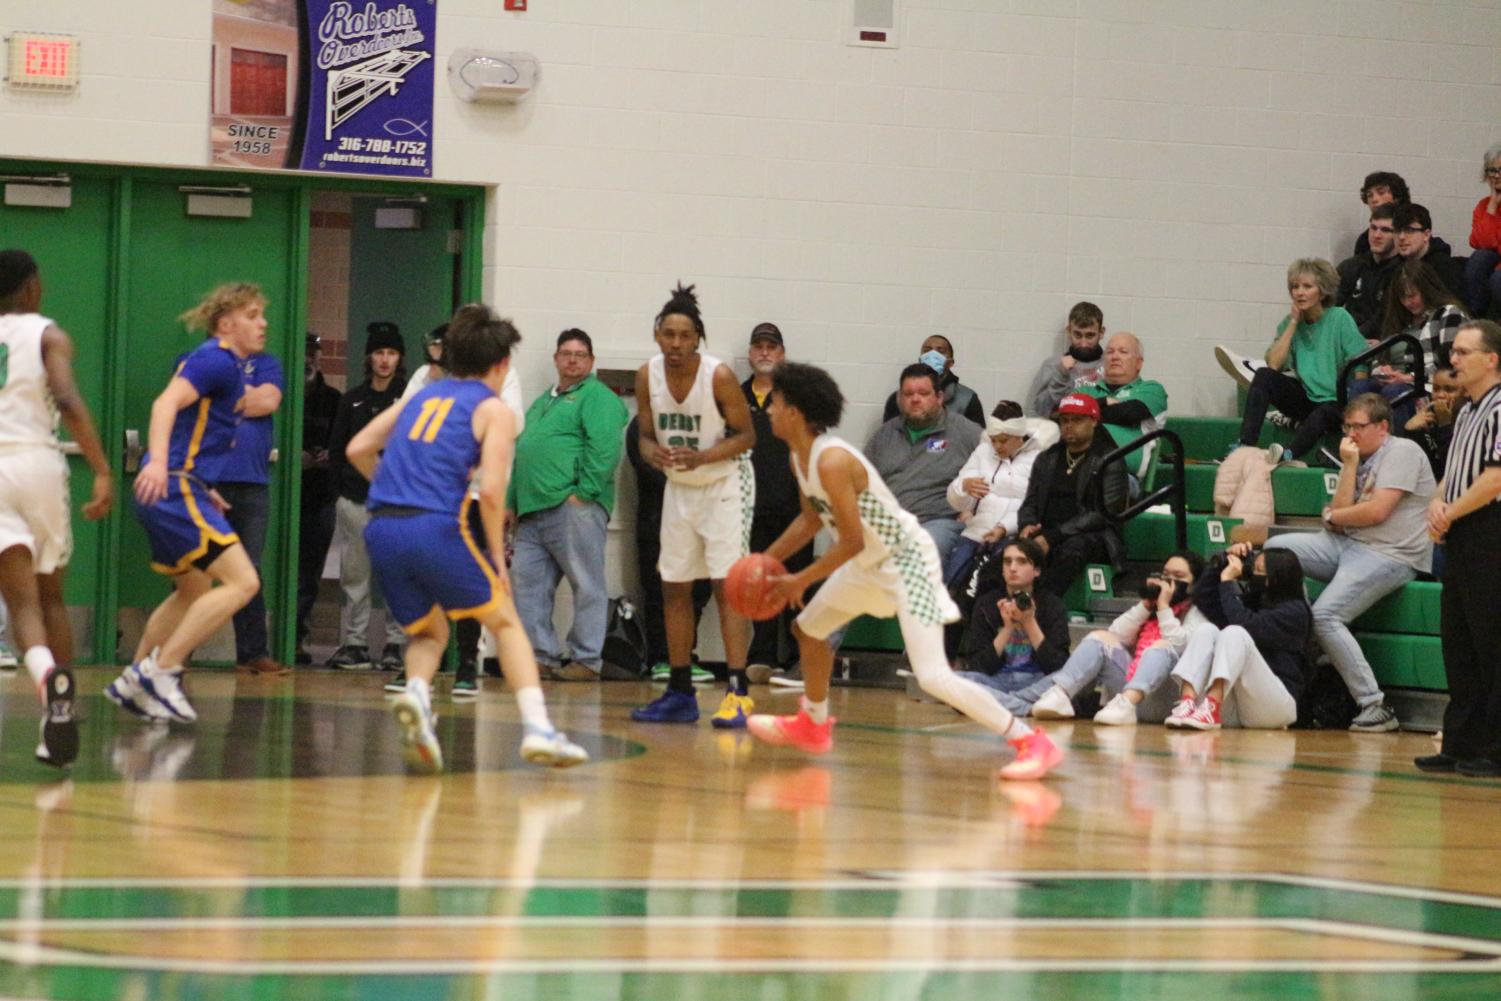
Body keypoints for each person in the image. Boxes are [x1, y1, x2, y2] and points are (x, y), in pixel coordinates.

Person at [745, 362, 1063, 781]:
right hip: (868, 564)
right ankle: (814, 723)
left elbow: (852, 540)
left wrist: (798, 579)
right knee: (809, 630)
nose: (769, 409)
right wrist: (764, 561)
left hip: (906, 559)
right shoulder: (798, 459)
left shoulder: (833, 461)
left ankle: (1030, 741)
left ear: (797, 411)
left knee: (932, 677)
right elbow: (810, 520)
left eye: (778, 403)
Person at [346, 304, 587, 773]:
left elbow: (358, 447)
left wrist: (390, 489)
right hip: (433, 526)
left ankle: (417, 698)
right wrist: (498, 560)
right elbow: (493, 490)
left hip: (383, 527)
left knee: (430, 630)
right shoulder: (491, 408)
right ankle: (540, 729)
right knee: (506, 621)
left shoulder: (418, 397)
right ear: (501, 365)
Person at [106, 283, 266, 726]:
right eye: (252, 315)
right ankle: (163, 671)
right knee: (243, 583)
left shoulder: (224, 365)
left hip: (185, 486)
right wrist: (157, 462)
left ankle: (135, 678)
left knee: (192, 589)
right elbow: (164, 405)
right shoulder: (215, 359)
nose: (262, 323)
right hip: (174, 491)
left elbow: (191, 430)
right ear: (226, 322)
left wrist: (201, 480)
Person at [0, 249, 113, 765]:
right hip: (38, 463)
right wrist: (104, 470)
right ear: (28, 288)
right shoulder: (48, 334)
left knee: (20, 604)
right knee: (50, 598)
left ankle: (48, 683)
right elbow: (66, 400)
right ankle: (60, 713)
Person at [629, 283, 759, 728]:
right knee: (674, 585)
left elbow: (747, 437)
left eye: (685, 336)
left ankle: (738, 690)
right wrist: (650, 452)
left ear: (697, 338)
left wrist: (703, 455)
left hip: (724, 483)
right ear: (657, 335)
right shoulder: (647, 375)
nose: (676, 344)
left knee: (728, 586)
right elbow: (646, 435)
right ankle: (680, 690)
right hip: (680, 486)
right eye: (669, 334)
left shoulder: (718, 376)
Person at [1263, 394, 1434, 732]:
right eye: (1347, 426)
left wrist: (1334, 515)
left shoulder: (1403, 452)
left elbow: (1376, 512)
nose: (1351, 434)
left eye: (1359, 426)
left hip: (1389, 553)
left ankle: (1375, 705)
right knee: (1275, 551)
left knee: (1326, 613)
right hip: (1346, 544)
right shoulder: (1355, 457)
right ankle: (1305, 635)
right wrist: (1350, 468)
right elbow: (1337, 520)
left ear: (1383, 427)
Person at [508, 328, 630, 682]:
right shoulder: (542, 402)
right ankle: (540, 657)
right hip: (531, 513)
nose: (572, 359)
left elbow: (606, 448)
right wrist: (510, 502)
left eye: (580, 354)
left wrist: (584, 493)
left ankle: (587, 659)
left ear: (591, 361)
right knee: (528, 584)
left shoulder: (597, 396)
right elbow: (522, 452)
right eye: (566, 353)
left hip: (573, 507)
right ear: (556, 359)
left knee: (587, 583)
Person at [1417, 320, 1501, 775]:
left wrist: (1450, 512)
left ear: (1492, 359)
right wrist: (1436, 503)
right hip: (1461, 529)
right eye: (1455, 352)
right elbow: (1455, 471)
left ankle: (1496, 749)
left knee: (1493, 643)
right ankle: (1461, 743)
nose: (1455, 359)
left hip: (1490, 528)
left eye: (1465, 352)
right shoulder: (1467, 409)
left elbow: (1496, 477)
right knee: (1460, 641)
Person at [994, 552, 1207, 725]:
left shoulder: (1198, 611)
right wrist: (1146, 605)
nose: (1168, 582)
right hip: (1125, 696)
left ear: (1194, 584)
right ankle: (1060, 694)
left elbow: (1180, 646)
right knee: (1100, 637)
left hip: (1169, 697)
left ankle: (1006, 702)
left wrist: (1163, 608)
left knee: (1161, 646)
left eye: (1178, 577)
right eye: (1165, 574)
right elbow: (1116, 634)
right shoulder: (1151, 607)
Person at [1221, 259, 1369, 464]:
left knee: (1323, 413)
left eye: (1307, 287)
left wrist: (1358, 411)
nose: (1299, 292)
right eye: (1295, 287)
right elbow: (1274, 365)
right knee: (1264, 376)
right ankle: (1245, 445)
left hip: (1339, 403)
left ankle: (1287, 455)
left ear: (1323, 291)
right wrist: (1293, 322)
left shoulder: (1339, 318)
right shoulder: (1288, 323)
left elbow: (1360, 363)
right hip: (1308, 398)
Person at [326, 321, 408, 671]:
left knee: (395, 574)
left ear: (399, 358)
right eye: (379, 352)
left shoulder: (408, 399)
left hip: (396, 504)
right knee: (355, 574)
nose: (385, 360)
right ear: (369, 357)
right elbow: (337, 450)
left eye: (390, 353)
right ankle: (355, 642)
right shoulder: (352, 400)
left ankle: (395, 643)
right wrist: (340, 492)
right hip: (356, 499)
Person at [1165, 543, 1312, 730]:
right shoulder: (1256, 601)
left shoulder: (1294, 612)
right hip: (1242, 705)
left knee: (1235, 632)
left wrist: (1227, 582)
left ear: (1276, 577)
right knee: (1206, 630)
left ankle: (1211, 705)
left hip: (1276, 707)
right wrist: (1222, 562)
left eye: (1259, 570)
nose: (1252, 573)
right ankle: (1187, 701)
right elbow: (1203, 597)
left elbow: (1244, 624)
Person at [741, 322, 814, 684]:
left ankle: (802, 659)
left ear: (782, 354)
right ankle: (763, 656)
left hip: (794, 510)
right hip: (749, 510)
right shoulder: (733, 397)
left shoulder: (796, 397)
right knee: (758, 583)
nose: (765, 352)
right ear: (750, 353)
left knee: (796, 584)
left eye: (772, 346)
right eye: (759, 346)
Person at [215, 342, 287, 676]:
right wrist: (247, 397)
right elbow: (198, 404)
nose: (261, 326)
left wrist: (225, 398)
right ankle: (178, 652)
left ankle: (253, 652)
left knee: (250, 570)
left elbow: (269, 400)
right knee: (196, 567)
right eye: (252, 316)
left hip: (253, 483)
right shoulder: (203, 360)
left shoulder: (267, 363)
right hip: (209, 481)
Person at [866, 363, 982, 567]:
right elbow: (860, 482)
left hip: (938, 522)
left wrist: (973, 510)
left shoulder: (967, 432)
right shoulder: (884, 435)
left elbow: (998, 472)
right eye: (908, 394)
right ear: (899, 399)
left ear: (939, 397)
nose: (915, 399)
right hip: (888, 523)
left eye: (923, 393)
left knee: (919, 551)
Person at [1015, 393, 1129, 596]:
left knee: (1071, 550)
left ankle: (1041, 605)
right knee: (1005, 551)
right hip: (1048, 531)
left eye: (1077, 420)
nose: (1068, 425)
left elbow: (1102, 514)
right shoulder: (1047, 458)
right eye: (1064, 420)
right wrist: (1027, 525)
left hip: (1093, 536)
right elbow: (1030, 501)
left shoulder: (1110, 459)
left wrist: (1053, 537)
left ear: (1094, 421)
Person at [943, 402, 1056, 584]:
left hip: (1013, 534)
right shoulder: (983, 451)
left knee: (988, 581)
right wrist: (963, 488)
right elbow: (956, 501)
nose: (996, 446)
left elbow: (1033, 508)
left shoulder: (1040, 459)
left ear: (1019, 435)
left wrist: (1003, 528)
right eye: (993, 439)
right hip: (976, 530)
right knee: (952, 580)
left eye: (1003, 440)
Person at [953, 537, 1069, 695]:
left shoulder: (1052, 605)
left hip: (1038, 681)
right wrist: (1007, 629)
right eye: (1007, 562)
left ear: (1037, 570)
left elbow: (1058, 665)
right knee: (956, 683)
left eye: (1022, 562)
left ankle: (1002, 704)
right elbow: (977, 666)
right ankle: (1022, 703)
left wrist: (1029, 623)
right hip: (997, 681)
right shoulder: (986, 604)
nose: (1013, 568)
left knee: (1064, 684)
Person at [295, 334, 342, 664]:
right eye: (304, 352)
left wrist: (327, 456)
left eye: (314, 353)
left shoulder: (335, 400)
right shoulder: (283, 396)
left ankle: (297, 637)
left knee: (309, 574)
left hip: (320, 495)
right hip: (287, 494)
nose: (309, 359)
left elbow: (342, 445)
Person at [1073, 332, 1168, 484]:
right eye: (1109, 352)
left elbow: (1128, 414)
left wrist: (1084, 414)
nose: (1114, 356)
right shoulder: (1084, 390)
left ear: (1139, 363)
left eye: (1123, 352)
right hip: (1075, 469)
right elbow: (1060, 414)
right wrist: (1104, 401)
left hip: (1123, 478)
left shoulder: (1152, 390)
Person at [881, 335, 985, 427]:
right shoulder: (898, 399)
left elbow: (978, 443)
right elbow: (888, 439)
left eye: (941, 351)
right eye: (927, 350)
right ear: (921, 359)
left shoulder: (967, 398)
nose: (933, 354)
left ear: (950, 363)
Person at [1027, 301, 1106, 418]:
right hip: (1062, 433)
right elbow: (1039, 411)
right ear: (1069, 331)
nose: (1083, 343)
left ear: (1101, 332)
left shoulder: (1112, 365)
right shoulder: (1053, 365)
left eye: (1090, 336)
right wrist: (1060, 375)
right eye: (1078, 335)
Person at [1337, 203, 1402, 341]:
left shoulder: (1404, 272)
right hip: (1348, 339)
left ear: (1398, 235)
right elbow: (1329, 305)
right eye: (1373, 228)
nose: (1376, 235)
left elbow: (1384, 317)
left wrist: (1351, 339)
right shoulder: (1351, 266)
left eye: (1385, 230)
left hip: (1380, 344)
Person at [1394, 203, 1464, 302]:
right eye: (1397, 230)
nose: (1401, 237)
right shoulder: (1395, 265)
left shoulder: (1444, 267)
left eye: (1409, 230)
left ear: (1426, 235)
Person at [1464, 143, 1501, 318]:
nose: (1496, 176)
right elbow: (1479, 242)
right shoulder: (1484, 206)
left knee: (1497, 279)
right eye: (1492, 170)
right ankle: (1474, 319)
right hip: (1495, 266)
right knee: (1480, 258)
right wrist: (1492, 205)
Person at [1405, 365, 1462, 478]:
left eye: (1449, 390)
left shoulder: (1473, 420)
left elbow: (1452, 468)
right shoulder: (1428, 418)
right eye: (1436, 389)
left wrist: (1444, 426)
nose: (1440, 395)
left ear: (1466, 392)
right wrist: (1410, 431)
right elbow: (1423, 467)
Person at [1349, 171, 1410, 257]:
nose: (1374, 199)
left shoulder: (1415, 233)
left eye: (1381, 193)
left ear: (1397, 196)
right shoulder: (1365, 240)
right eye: (1370, 195)